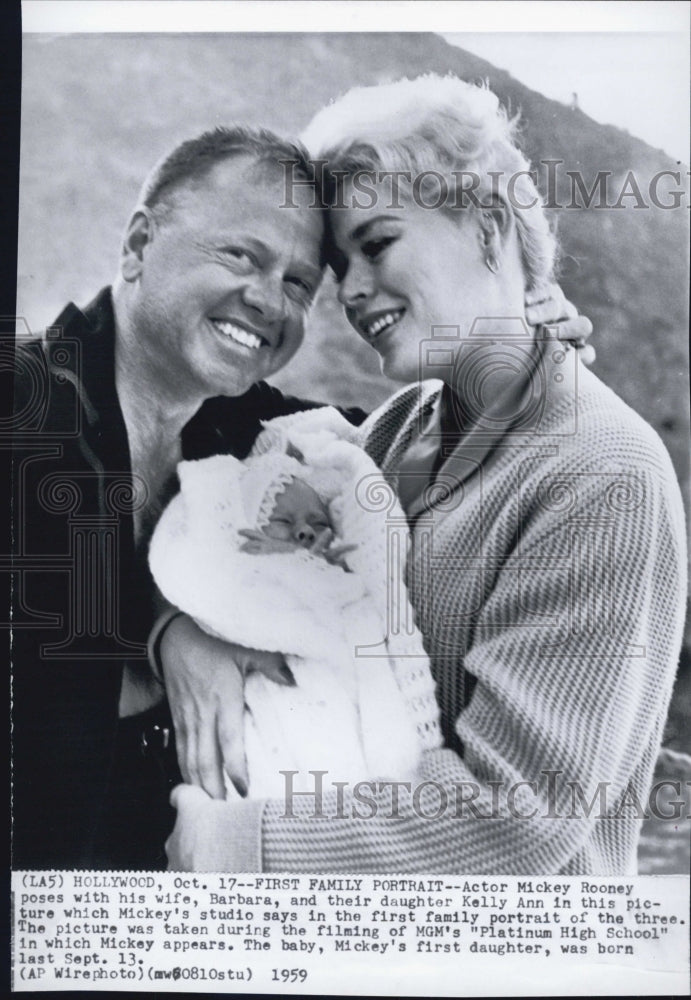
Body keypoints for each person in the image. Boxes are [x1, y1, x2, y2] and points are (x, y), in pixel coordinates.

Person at [10, 119, 589, 871]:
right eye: (239, 255)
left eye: (296, 284)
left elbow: (404, 442)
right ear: (138, 245)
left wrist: (523, 348)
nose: (265, 300)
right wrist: (159, 630)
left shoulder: (245, 433)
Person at [164, 76, 686, 875]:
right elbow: (280, 591)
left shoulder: (601, 475)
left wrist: (238, 844)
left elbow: (514, 820)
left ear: (485, 224)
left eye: (376, 244)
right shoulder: (400, 430)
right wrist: (182, 634)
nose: (353, 292)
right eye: (340, 267)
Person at [148, 406, 441, 804]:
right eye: (282, 522)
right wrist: (174, 628)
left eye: (318, 522)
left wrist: (337, 568)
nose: (305, 530)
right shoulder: (242, 572)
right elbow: (215, 585)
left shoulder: (340, 575)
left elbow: (360, 599)